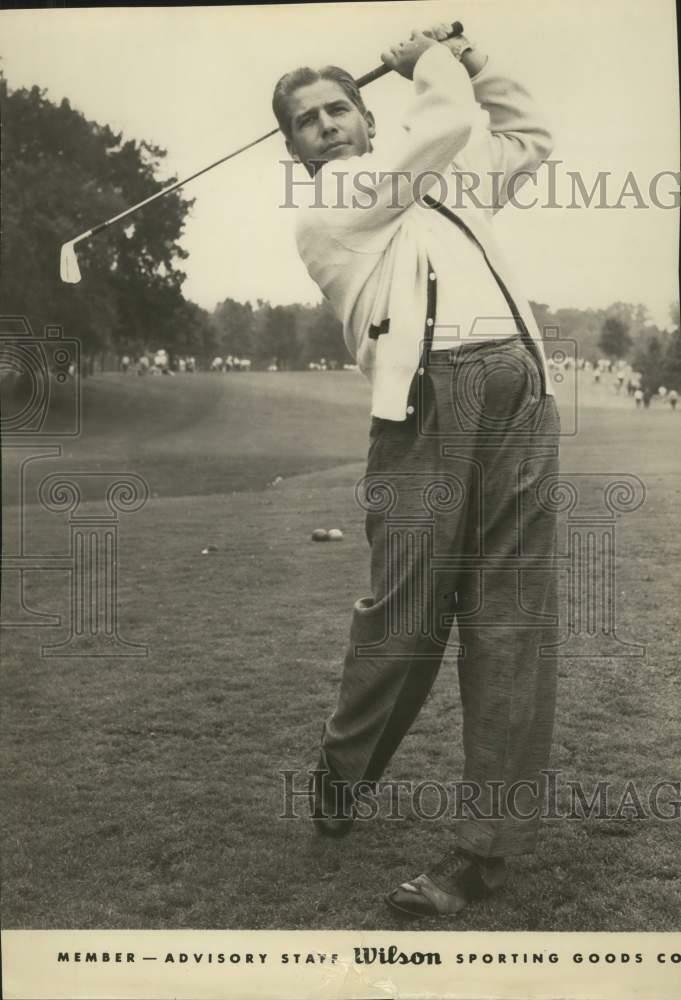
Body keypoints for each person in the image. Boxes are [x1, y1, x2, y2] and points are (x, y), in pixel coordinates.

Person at [274, 21, 559, 918]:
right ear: (294, 147)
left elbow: (527, 141)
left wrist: (476, 61)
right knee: (404, 625)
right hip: (424, 409)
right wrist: (422, 63)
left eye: (337, 109)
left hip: (516, 389)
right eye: (305, 120)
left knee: (511, 624)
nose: (325, 125)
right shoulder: (334, 204)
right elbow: (435, 127)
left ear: (365, 117)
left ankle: (484, 850)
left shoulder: (437, 186)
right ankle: (345, 768)